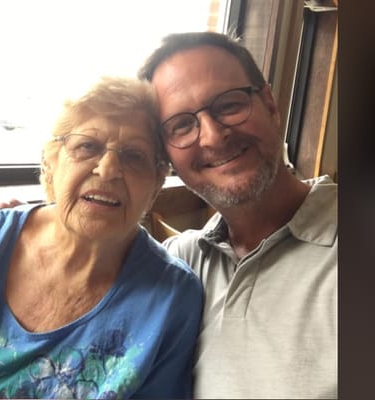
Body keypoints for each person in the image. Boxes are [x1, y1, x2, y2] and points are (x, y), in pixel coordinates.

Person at [0, 77, 204, 398]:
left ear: (156, 184)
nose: (108, 169)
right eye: (88, 146)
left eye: (134, 156)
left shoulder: (171, 299)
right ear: (50, 162)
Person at [138, 32, 338, 398]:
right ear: (166, 157)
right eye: (182, 126)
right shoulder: (179, 262)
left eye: (228, 105)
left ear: (270, 106)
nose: (213, 137)